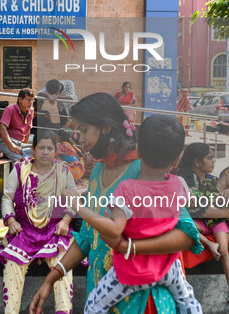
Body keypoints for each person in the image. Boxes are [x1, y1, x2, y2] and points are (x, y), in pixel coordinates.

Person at [30, 93, 203, 314]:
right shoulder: (98, 172)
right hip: (104, 294)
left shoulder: (145, 170)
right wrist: (52, 278)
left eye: (83, 129)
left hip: (143, 301)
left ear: (106, 127)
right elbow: (87, 237)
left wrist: (130, 247)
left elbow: (186, 234)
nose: (77, 137)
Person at [71, 115, 202, 313]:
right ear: (176, 160)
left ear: (138, 149)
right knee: (189, 302)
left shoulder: (127, 190)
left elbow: (115, 229)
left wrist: (77, 206)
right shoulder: (178, 185)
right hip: (169, 267)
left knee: (93, 305)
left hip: (132, 271)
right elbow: (190, 201)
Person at [0, 130, 76, 314]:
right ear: (33, 150)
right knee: (12, 265)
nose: (45, 152)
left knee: (63, 264)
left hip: (54, 232)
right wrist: (10, 221)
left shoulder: (63, 170)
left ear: (55, 151)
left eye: (50, 148)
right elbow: (7, 197)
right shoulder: (20, 168)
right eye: (41, 147)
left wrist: (66, 221)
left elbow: (74, 200)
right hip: (24, 231)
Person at [177, 143, 229, 306]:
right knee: (181, 228)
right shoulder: (184, 179)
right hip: (198, 224)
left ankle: (219, 247)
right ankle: (226, 247)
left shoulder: (211, 180)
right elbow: (201, 210)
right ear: (197, 162)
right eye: (209, 158)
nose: (214, 161)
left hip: (214, 225)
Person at [0, 88, 35, 161]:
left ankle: (5, 154)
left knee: (38, 149)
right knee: (20, 159)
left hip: (18, 143)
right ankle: (8, 153)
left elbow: (28, 130)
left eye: (32, 100)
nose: (31, 103)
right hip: (2, 142)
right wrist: (12, 146)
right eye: (28, 100)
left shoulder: (31, 110)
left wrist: (22, 148)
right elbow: (2, 128)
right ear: (20, 99)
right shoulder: (10, 109)